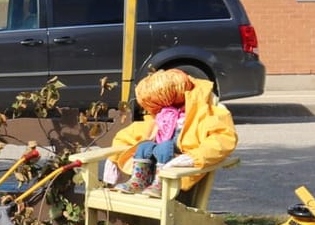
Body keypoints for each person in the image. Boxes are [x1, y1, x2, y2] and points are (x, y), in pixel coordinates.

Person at [100, 67, 236, 193]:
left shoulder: (207, 113)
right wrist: (113, 158)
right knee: (144, 146)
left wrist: (193, 158)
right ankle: (139, 180)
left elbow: (222, 139)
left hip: (178, 171)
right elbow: (128, 135)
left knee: (164, 147)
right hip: (153, 166)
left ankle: (160, 182)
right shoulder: (162, 117)